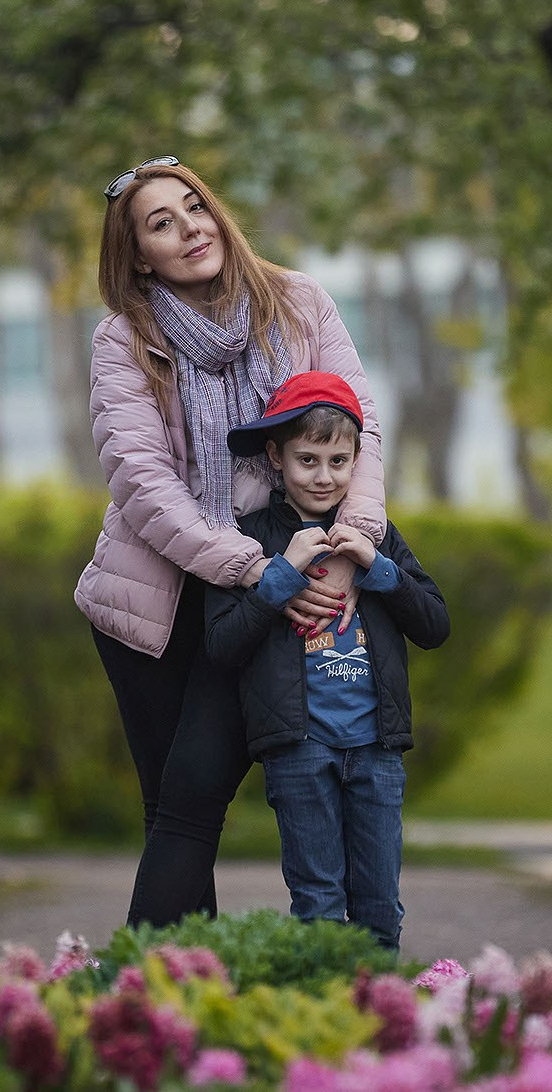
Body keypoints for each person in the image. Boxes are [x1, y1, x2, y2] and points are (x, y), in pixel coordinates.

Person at [75, 155, 388, 929]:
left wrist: (350, 548)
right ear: (138, 254)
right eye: (161, 223)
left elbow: (361, 429)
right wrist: (257, 567)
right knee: (177, 807)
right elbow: (142, 483)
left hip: (259, 602)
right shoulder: (124, 339)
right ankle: (180, 996)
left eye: (194, 208)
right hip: (158, 604)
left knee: (192, 797)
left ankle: (149, 998)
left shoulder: (299, 303)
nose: (189, 230)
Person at [201, 372, 449, 951]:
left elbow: (435, 624)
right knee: (317, 904)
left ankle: (380, 1025)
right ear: (276, 456)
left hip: (376, 749)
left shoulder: (376, 536)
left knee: (381, 908)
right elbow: (222, 644)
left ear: (357, 460)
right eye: (307, 459)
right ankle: (326, 1026)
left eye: (339, 461)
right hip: (299, 749)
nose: (323, 476)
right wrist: (279, 575)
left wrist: (379, 570)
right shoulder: (249, 539)